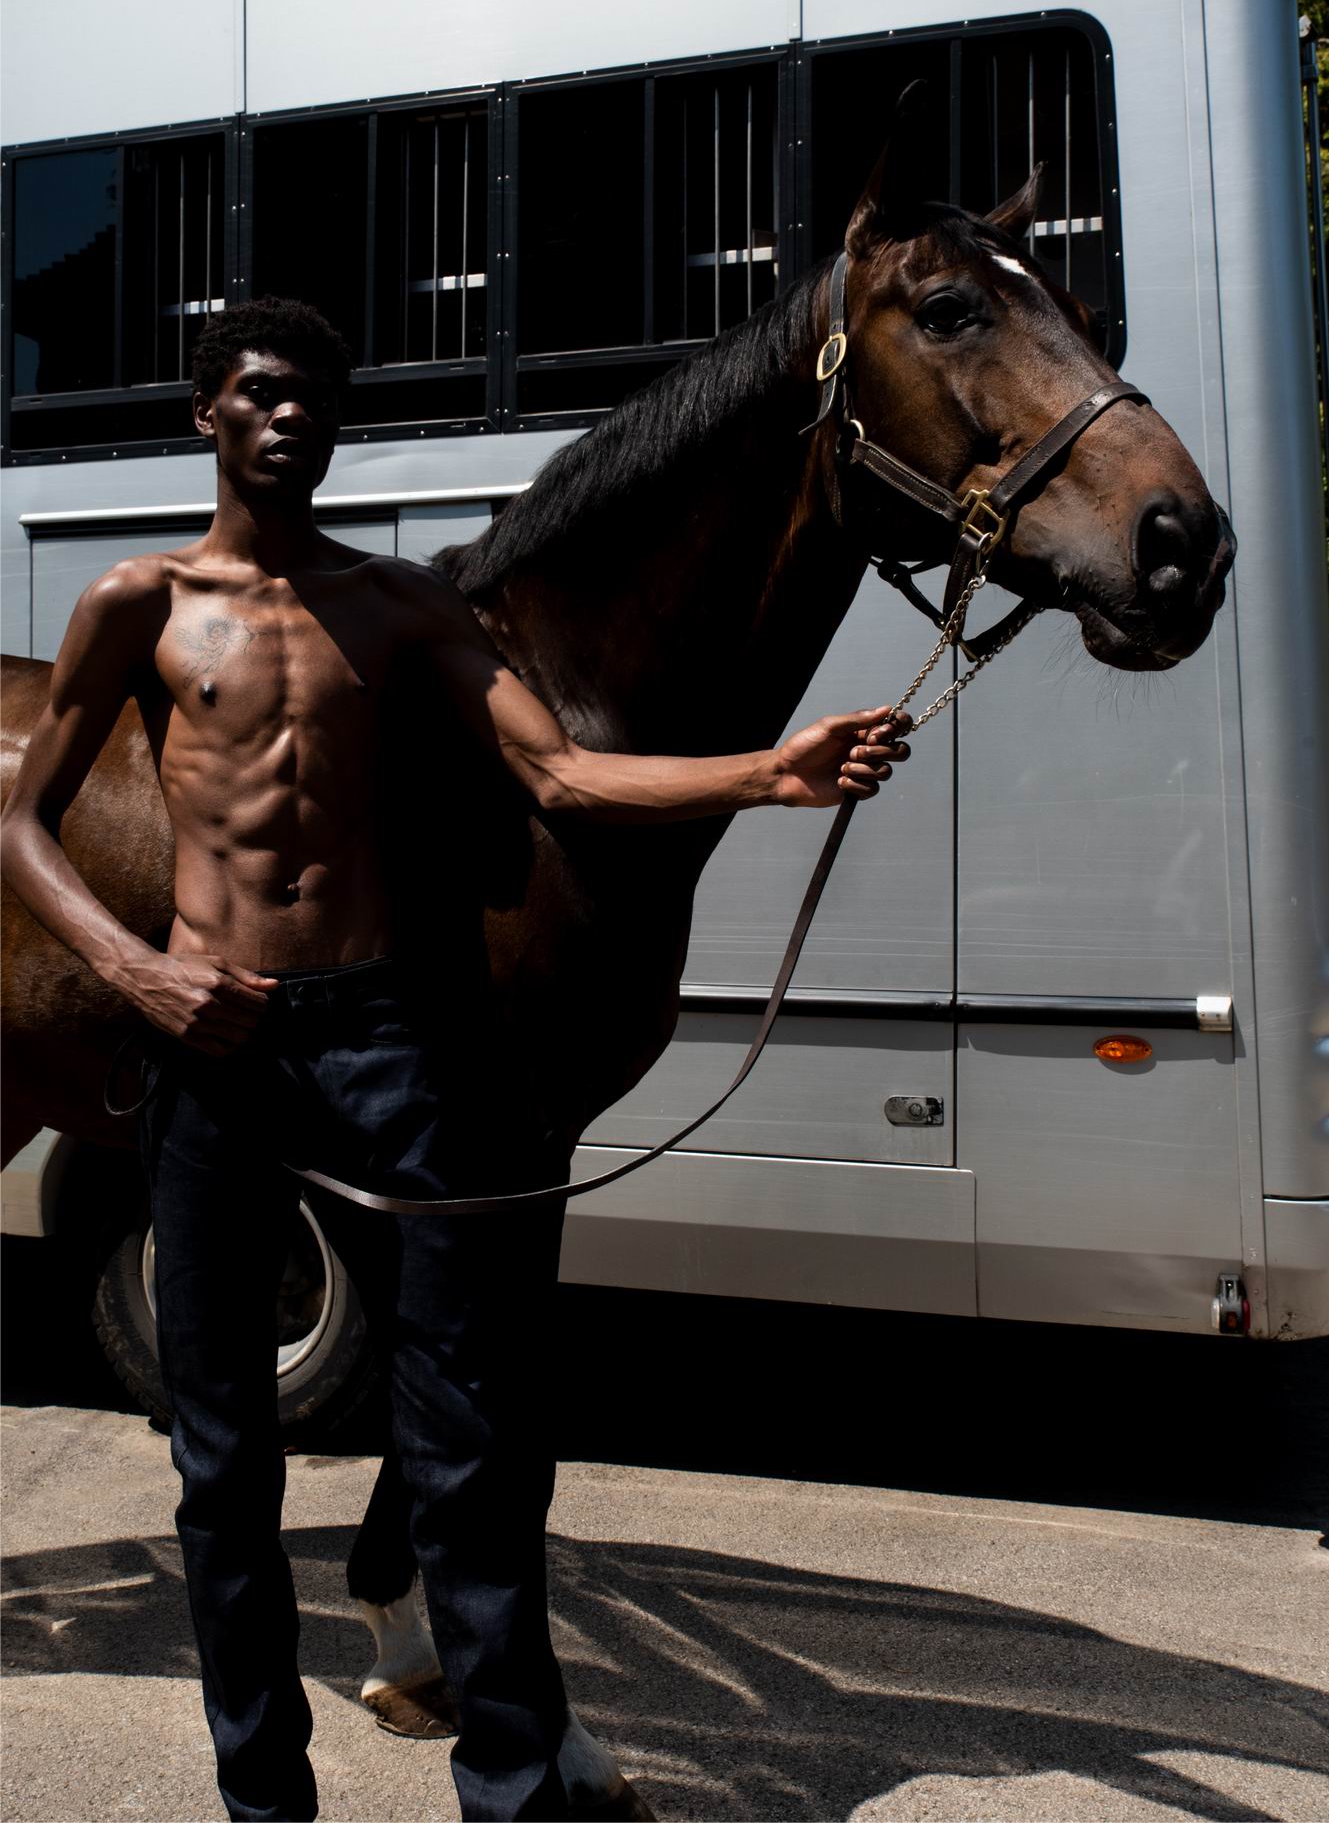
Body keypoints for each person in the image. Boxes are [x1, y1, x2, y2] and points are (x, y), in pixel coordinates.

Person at [0, 297, 908, 1823]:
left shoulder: (401, 608)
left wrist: (770, 772)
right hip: (214, 1046)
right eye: (259, 392)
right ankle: (264, 1801)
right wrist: (136, 970)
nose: (288, 416)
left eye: (312, 395)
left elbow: (565, 774)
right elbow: (23, 823)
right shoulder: (137, 603)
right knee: (222, 1464)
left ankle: (511, 1788)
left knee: (466, 1424)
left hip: (377, 1040)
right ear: (209, 413)